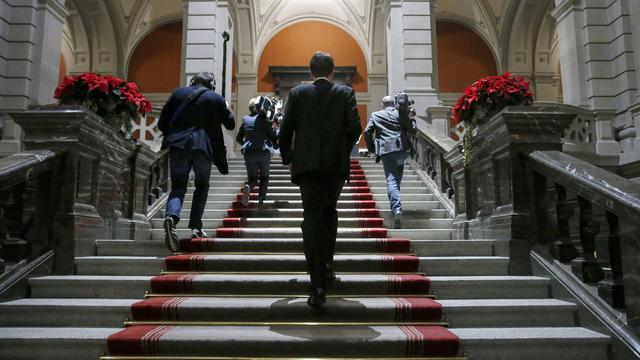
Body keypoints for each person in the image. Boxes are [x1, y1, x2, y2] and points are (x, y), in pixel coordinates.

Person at [279, 51, 362, 307]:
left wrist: (289, 157)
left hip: (307, 168)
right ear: (332, 71)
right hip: (335, 166)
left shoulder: (296, 93)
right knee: (329, 212)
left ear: (310, 71)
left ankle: (317, 286)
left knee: (312, 217)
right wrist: (342, 149)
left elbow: (285, 130)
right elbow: (356, 128)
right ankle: (326, 265)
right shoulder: (345, 92)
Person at [158, 72, 235, 252]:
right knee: (202, 186)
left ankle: (172, 217)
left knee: (178, 187)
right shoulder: (215, 98)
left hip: (178, 145)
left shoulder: (178, 94)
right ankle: (195, 227)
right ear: (211, 84)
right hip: (203, 146)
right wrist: (225, 107)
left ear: (192, 81)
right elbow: (230, 124)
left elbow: (163, 123)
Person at [363, 96, 417, 229]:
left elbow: (367, 132)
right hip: (402, 151)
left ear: (383, 104)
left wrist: (371, 149)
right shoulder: (401, 113)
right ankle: (396, 205)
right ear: (394, 103)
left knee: (391, 180)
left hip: (387, 151)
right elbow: (412, 130)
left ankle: (397, 209)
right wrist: (411, 117)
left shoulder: (376, 115)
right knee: (396, 180)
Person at [236, 96, 278, 208]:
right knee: (264, 177)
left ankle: (248, 186)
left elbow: (238, 138)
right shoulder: (266, 121)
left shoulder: (245, 119)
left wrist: (245, 145)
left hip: (249, 153)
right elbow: (273, 138)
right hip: (263, 153)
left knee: (252, 178)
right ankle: (260, 201)